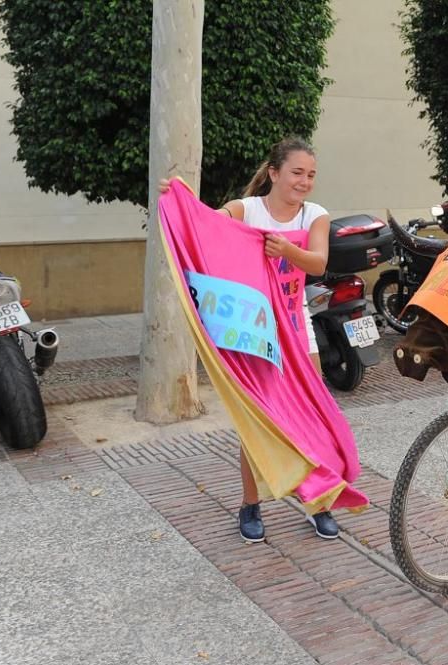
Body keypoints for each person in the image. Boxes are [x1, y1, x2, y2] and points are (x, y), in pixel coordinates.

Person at [160, 136, 339, 542]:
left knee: (314, 415)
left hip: (296, 324)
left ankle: (319, 503)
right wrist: (179, 197)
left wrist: (285, 251)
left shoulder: (315, 215)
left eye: (310, 175)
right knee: (256, 419)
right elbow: (204, 224)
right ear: (274, 173)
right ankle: (250, 503)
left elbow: (318, 262)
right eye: (296, 172)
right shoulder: (247, 210)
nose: (304, 181)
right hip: (254, 327)